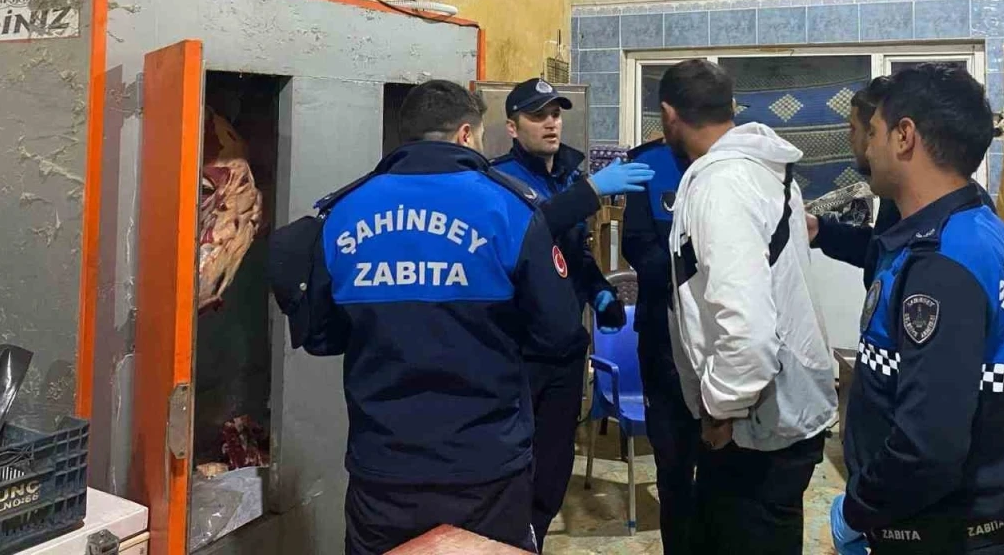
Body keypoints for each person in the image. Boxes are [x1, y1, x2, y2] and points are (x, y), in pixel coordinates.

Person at [268, 80, 585, 555]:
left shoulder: (343, 212)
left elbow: (322, 337)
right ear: (465, 134)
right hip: (485, 468)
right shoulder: (510, 209)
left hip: (383, 469)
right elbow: (559, 333)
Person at [830, 64, 1004, 554]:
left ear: (904, 136)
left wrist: (857, 509)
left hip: (944, 537)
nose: (868, 148)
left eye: (875, 132)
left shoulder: (940, 264)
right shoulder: (980, 226)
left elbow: (928, 446)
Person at [660, 59, 837, 555]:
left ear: (669, 115)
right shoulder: (764, 171)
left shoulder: (722, 185)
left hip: (753, 426)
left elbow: (748, 332)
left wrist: (721, 408)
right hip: (778, 412)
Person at [491, 77, 653, 549]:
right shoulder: (498, 181)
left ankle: (534, 539)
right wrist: (591, 190)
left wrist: (598, 291)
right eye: (537, 116)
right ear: (512, 126)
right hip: (519, 353)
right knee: (514, 466)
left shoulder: (565, 175)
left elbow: (573, 251)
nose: (551, 124)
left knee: (555, 465)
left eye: (555, 114)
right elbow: (533, 230)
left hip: (565, 351)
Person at [807, 78, 995, 283]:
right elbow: (882, 251)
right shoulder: (908, 200)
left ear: (902, 136)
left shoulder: (948, 241)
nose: (850, 138)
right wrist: (821, 231)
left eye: (867, 131)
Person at [620, 137, 701, 554]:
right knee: (673, 467)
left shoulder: (740, 160)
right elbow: (635, 245)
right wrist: (693, 279)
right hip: (663, 340)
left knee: (728, 471)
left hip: (725, 345)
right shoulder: (647, 164)